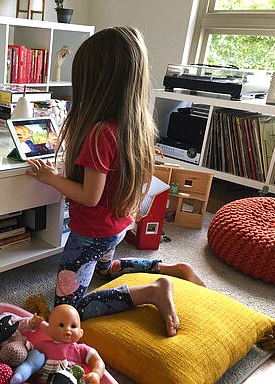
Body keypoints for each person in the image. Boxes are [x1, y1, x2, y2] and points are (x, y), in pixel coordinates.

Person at [25, 27, 204, 337]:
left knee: (67, 312)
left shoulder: (98, 134)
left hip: (91, 234)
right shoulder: (136, 125)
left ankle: (150, 292)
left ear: (94, 83)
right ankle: (169, 269)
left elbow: (89, 196)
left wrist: (51, 178)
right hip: (116, 228)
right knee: (105, 269)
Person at [33, 304, 105, 384]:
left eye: (73, 326)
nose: (67, 329)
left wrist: (96, 373)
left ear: (81, 333)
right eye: (61, 325)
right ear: (48, 330)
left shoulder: (80, 349)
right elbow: (28, 360)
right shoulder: (42, 346)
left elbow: (97, 360)